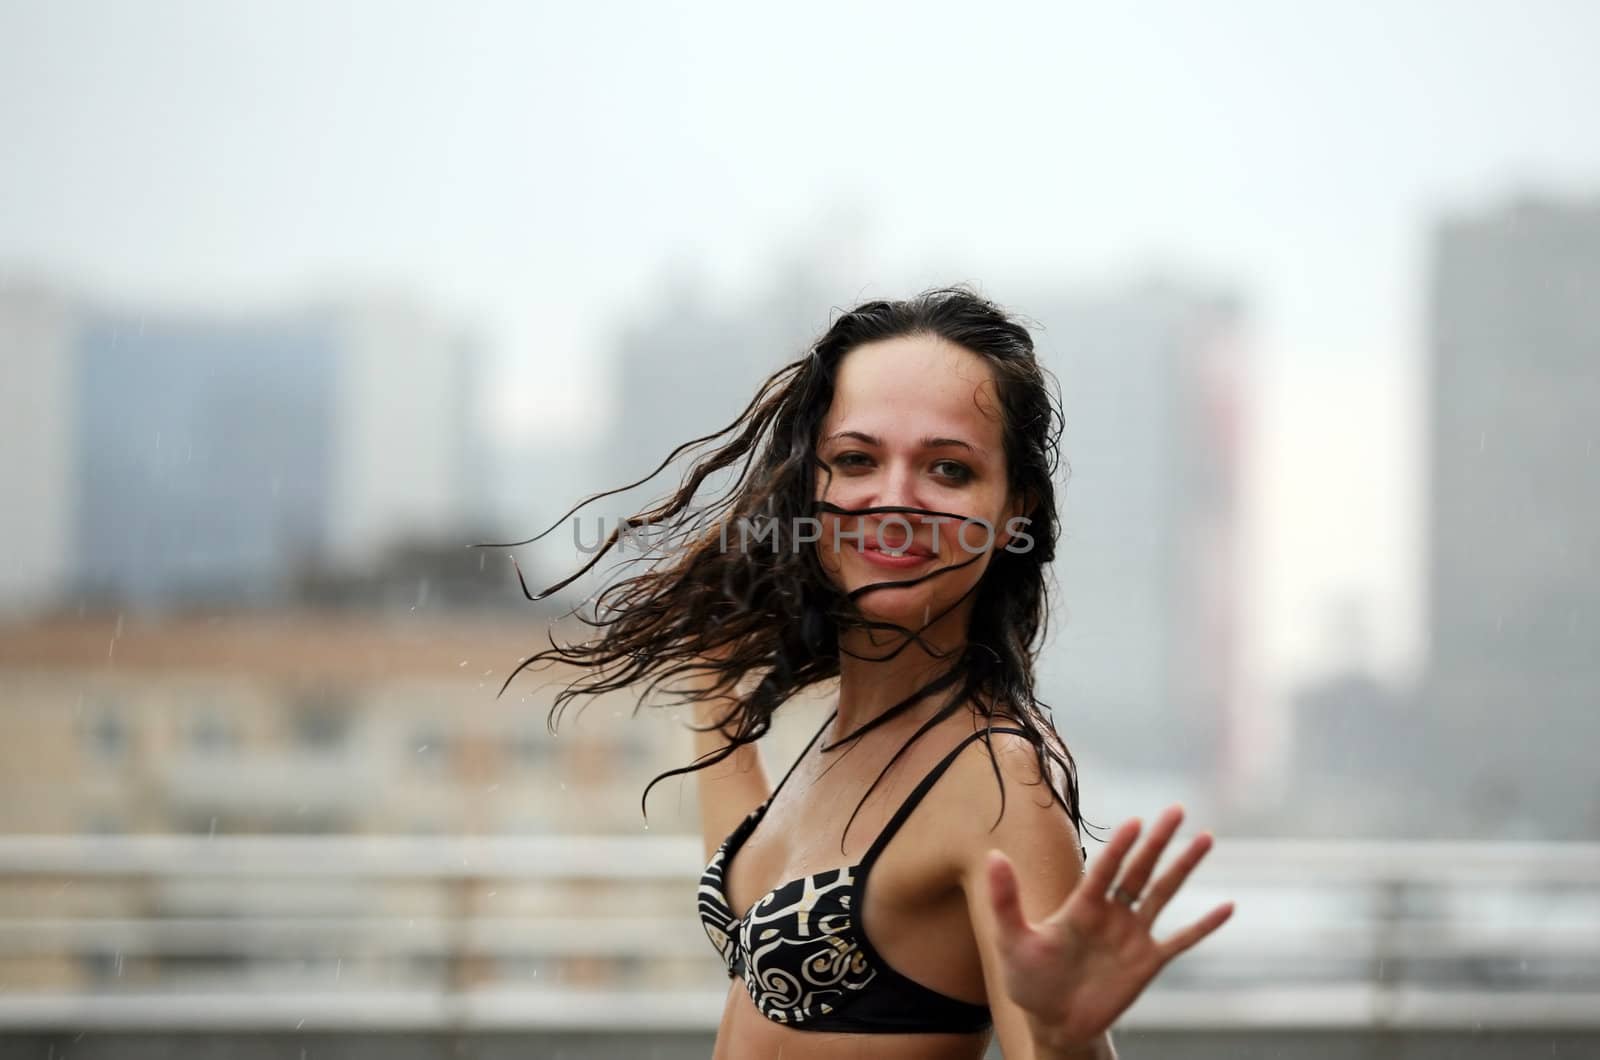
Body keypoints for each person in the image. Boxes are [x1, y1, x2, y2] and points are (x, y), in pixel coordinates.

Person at [509, 285, 1234, 1058]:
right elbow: (767, 920)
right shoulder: (844, 741)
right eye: (856, 459)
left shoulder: (997, 779)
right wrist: (713, 684)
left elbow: (1041, 1030)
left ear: (1014, 511)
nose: (894, 500)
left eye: (948, 470)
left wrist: (1064, 1040)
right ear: (810, 487)